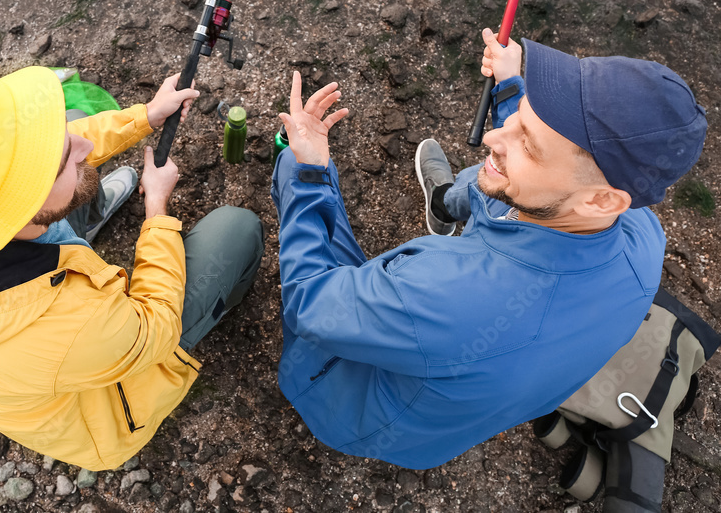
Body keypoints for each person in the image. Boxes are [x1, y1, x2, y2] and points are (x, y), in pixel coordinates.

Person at [271, 29, 707, 469]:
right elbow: (557, 158)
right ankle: (445, 202)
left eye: (529, 145)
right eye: (520, 117)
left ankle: (332, 180)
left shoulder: (442, 294)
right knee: (496, 188)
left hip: (355, 411)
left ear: (601, 200)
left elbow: (310, 306)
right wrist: (512, 87)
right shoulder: (641, 233)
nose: (492, 139)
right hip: (454, 414)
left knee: (297, 165)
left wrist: (310, 173)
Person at [0, 66, 263, 471]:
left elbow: (40, 150)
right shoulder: (72, 326)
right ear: (21, 204)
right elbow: (153, 325)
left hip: (38, 270)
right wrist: (156, 208)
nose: (81, 147)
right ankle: (224, 300)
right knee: (237, 229)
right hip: (100, 397)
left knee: (75, 122)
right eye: (61, 162)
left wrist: (145, 116)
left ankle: (80, 214)